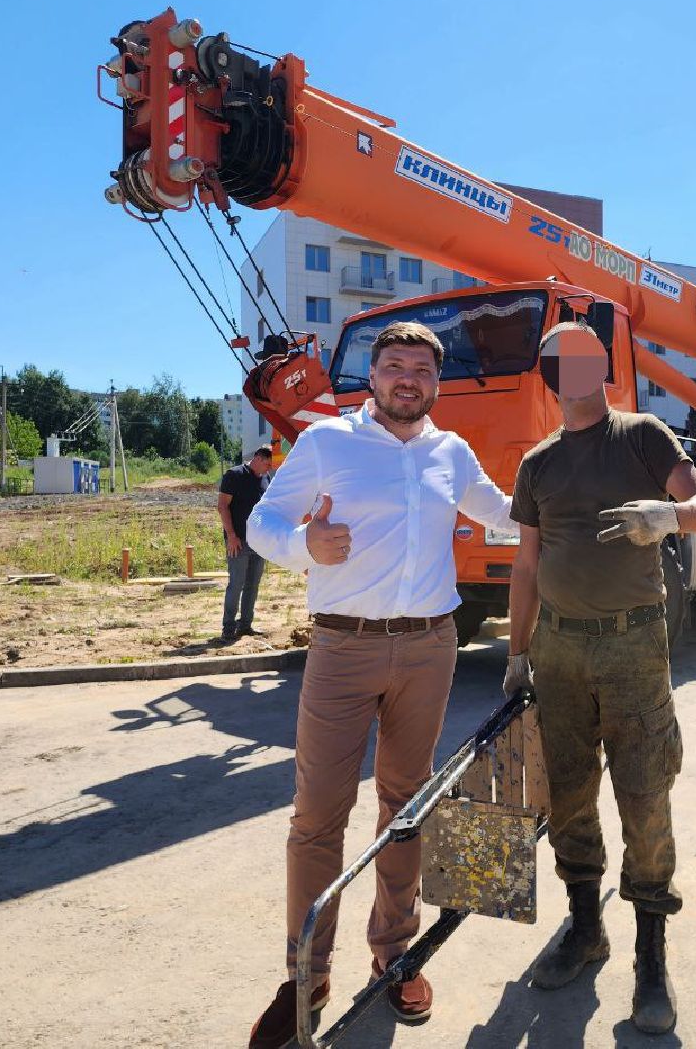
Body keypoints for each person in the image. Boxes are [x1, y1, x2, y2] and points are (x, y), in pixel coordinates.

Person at [243, 321, 513, 1047]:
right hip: (343, 647)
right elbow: (263, 521)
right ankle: (306, 974)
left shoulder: (451, 453)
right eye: (395, 365)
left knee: (407, 806)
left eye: (421, 369)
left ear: (436, 381)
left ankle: (395, 954)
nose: (407, 379)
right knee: (317, 815)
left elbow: (507, 514)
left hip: (430, 647)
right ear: (373, 375)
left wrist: (579, 505)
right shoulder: (326, 442)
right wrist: (303, 545)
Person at [503, 323, 696, 1035]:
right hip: (558, 651)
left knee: (644, 792)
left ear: (602, 369)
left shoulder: (641, 436)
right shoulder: (537, 464)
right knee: (568, 793)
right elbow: (527, 565)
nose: (572, 372)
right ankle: (584, 926)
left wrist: (669, 516)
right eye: (558, 363)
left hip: (632, 646)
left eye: (583, 359)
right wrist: (516, 653)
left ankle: (650, 955)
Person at [217, 446, 275, 643]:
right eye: (267, 464)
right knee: (236, 584)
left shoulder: (265, 478)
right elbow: (222, 506)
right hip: (238, 541)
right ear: (258, 458)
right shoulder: (234, 475)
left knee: (252, 585)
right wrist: (231, 536)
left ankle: (245, 625)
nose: (269, 469)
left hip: (259, 542)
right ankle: (228, 627)